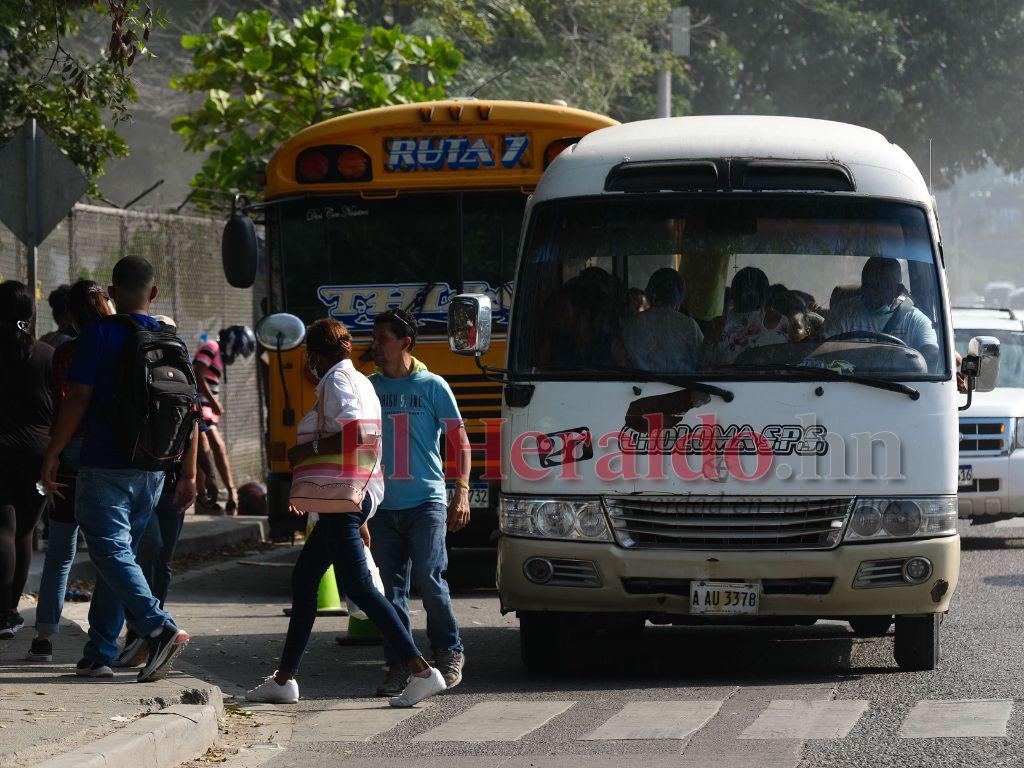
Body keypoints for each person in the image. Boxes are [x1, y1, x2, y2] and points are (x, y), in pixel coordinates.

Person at [245, 318, 445, 707]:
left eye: (311, 359)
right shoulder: (359, 380)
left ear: (315, 357)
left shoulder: (338, 382)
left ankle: (422, 671)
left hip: (343, 501)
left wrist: (307, 451)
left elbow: (357, 434)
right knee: (305, 580)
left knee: (361, 589)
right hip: (352, 498)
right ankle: (284, 680)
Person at [39, 256, 198, 681]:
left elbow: (77, 397)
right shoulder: (169, 338)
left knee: (110, 550)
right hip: (153, 466)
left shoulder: (99, 335)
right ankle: (100, 651)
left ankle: (157, 626)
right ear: (154, 292)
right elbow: (190, 410)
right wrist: (189, 473)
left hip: (106, 462)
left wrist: (53, 451)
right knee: (119, 555)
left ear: (112, 291)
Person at [368, 309, 470, 696]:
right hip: (382, 506)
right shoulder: (370, 387)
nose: (374, 346)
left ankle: (449, 650)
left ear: (405, 343)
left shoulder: (433, 386)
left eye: (382, 339)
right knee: (389, 593)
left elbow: (459, 440)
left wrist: (461, 489)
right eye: (374, 339)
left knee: (430, 579)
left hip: (426, 501)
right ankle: (400, 667)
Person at [25, 280, 113, 661]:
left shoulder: (67, 352)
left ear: (71, 316)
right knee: (109, 550)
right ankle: (108, 636)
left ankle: (44, 633)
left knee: (61, 548)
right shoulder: (123, 345)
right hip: (114, 455)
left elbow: (65, 404)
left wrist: (54, 453)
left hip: (73, 451)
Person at [0, 281, 53, 639]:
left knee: (2, 529)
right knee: (25, 532)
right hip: (38, 454)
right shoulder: (47, 355)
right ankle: (12, 610)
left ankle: (0, 614)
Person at [823, 256, 939, 369]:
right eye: (867, 285)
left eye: (880, 286)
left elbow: (931, 355)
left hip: (897, 387)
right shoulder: (844, 312)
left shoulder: (915, 321)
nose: (871, 292)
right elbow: (819, 349)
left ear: (897, 290)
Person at [615, 268, 704, 372]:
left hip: (636, 388)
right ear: (679, 298)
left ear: (649, 294)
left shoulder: (630, 325)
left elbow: (621, 363)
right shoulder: (689, 326)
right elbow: (703, 362)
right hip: (684, 387)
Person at [706, 267, 790, 366]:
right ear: (766, 297)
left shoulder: (718, 325)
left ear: (733, 296)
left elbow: (703, 366)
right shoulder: (782, 323)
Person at [192, 334, 237, 514]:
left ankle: (208, 497)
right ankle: (213, 495)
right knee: (213, 447)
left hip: (207, 410)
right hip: (200, 407)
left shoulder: (217, 354)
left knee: (209, 449)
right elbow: (197, 373)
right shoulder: (212, 346)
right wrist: (213, 401)